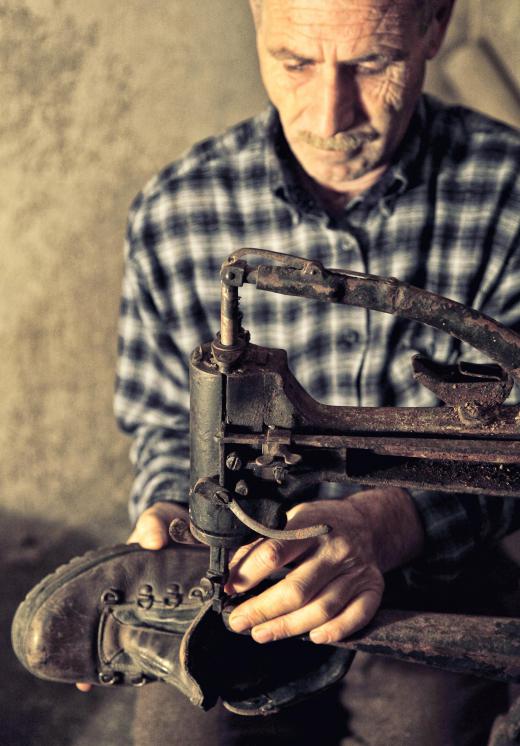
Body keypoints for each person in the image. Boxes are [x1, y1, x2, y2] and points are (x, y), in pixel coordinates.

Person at [110, 0, 520, 743]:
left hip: (443, 570)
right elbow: (165, 422)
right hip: (241, 575)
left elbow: (515, 440)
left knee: (432, 725)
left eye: (371, 64)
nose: (330, 117)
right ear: (256, 20)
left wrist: (384, 526)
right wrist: (174, 516)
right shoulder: (175, 211)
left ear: (435, 27)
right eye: (295, 63)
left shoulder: (510, 194)